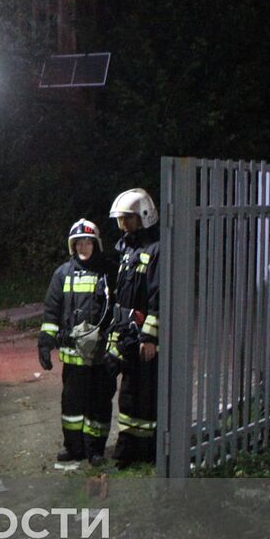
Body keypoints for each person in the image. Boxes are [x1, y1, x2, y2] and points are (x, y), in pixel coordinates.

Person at [38, 219, 117, 463]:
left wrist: (114, 347)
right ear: (73, 246)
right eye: (78, 243)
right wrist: (45, 342)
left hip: (99, 355)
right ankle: (74, 448)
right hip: (73, 357)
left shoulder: (109, 272)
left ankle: (94, 450)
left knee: (99, 404)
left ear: (96, 244)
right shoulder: (62, 274)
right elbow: (52, 310)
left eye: (87, 242)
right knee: (71, 406)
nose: (83, 247)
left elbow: (117, 311)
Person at [107, 188, 161, 466]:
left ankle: (147, 448)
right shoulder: (126, 249)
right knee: (126, 391)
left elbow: (157, 297)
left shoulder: (155, 250)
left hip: (143, 336)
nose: (123, 225)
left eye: (128, 219)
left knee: (145, 392)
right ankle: (127, 443)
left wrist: (149, 337)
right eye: (121, 220)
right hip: (125, 331)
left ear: (144, 217)